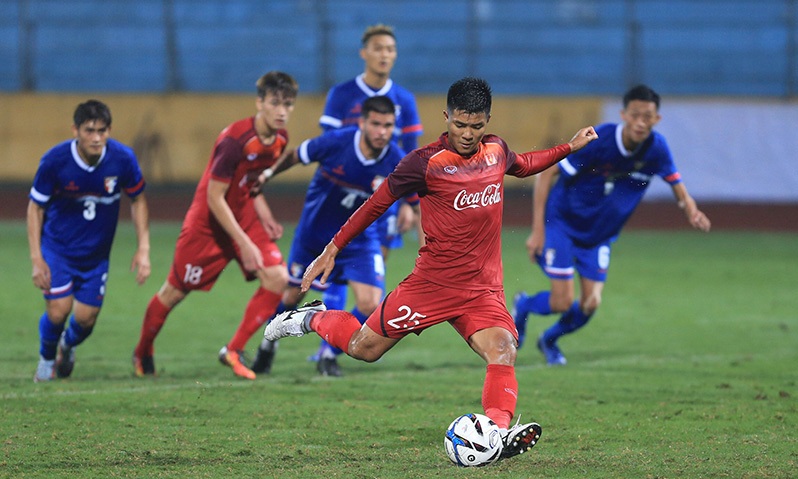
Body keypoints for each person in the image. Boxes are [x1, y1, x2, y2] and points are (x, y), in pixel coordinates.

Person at [263, 77, 598, 459]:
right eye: (460, 125)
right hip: (431, 285)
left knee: (503, 350)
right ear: (447, 117)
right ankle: (312, 319)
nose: (468, 134)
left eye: (476, 125)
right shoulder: (423, 164)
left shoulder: (497, 150)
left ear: (487, 120)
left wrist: (570, 147)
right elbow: (376, 204)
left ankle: (497, 435)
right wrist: (332, 248)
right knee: (363, 349)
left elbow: (524, 165)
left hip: (481, 289)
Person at [513, 84, 711, 366]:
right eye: (635, 115)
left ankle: (550, 340)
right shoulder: (600, 139)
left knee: (590, 303)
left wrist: (691, 210)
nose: (641, 122)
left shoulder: (656, 149)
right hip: (563, 225)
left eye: (648, 116)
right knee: (562, 302)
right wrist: (538, 230)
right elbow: (547, 174)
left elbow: (676, 184)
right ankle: (524, 305)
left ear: (657, 119)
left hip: (599, 236)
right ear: (623, 114)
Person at [132, 71, 298, 380]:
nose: (282, 111)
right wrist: (244, 243)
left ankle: (233, 350)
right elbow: (214, 197)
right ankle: (143, 350)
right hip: (208, 224)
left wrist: (264, 214)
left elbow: (251, 183)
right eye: (275, 103)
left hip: (243, 215)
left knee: (277, 277)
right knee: (175, 292)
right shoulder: (234, 141)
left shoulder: (279, 139)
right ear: (259, 102)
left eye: (288, 105)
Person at [250, 95, 418, 378]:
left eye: (388, 125)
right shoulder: (336, 142)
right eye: (375, 124)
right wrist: (267, 174)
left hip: (360, 241)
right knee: (292, 295)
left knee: (370, 302)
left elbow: (416, 197)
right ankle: (268, 344)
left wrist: (408, 209)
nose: (382, 132)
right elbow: (296, 155)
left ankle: (329, 354)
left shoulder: (396, 160)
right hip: (315, 236)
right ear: (362, 123)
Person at [28, 99, 151, 382]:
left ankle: (67, 347)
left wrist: (143, 248)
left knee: (85, 320)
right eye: (90, 130)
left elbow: (138, 199)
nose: (96, 138)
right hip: (57, 250)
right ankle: (47, 360)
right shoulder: (55, 162)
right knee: (59, 311)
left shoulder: (122, 159)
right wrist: (37, 258)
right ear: (76, 130)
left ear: (110, 130)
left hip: (96, 256)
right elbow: (35, 208)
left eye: (102, 130)